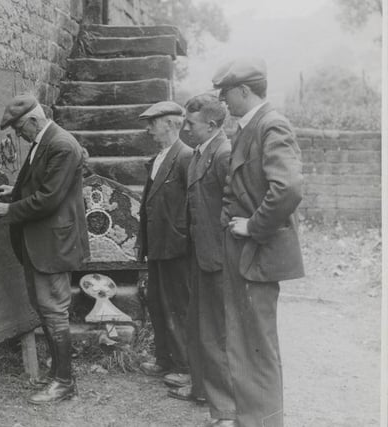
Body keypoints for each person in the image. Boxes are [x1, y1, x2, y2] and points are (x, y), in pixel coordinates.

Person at [213, 57, 304, 427]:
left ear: (244, 91)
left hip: (257, 250)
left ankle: (264, 422)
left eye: (226, 95)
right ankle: (250, 418)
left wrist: (253, 227)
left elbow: (288, 189)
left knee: (258, 345)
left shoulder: (271, 125)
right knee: (242, 340)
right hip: (243, 251)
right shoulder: (248, 127)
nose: (224, 103)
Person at [0, 94, 90, 404]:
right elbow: (39, 183)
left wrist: (10, 210)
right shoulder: (43, 142)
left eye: (19, 129)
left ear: (33, 121)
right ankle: (59, 373)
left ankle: (64, 382)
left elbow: (49, 198)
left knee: (54, 312)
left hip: (53, 246)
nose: (19, 135)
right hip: (40, 244)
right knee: (45, 308)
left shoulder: (61, 145)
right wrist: (14, 191)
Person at [179, 94, 236, 427]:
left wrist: (222, 237)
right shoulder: (203, 151)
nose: (186, 129)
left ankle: (227, 410)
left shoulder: (224, 154)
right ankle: (202, 390)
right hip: (201, 254)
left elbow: (236, 202)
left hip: (218, 256)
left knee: (218, 333)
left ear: (212, 125)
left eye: (191, 123)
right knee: (199, 326)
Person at [135, 101, 195, 395]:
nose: (148, 130)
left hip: (176, 248)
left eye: (153, 123)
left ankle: (184, 367)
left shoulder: (185, 157)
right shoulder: (159, 158)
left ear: (172, 124)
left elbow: (194, 205)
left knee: (178, 307)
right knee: (158, 302)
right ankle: (164, 360)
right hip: (157, 246)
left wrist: (182, 238)